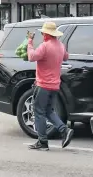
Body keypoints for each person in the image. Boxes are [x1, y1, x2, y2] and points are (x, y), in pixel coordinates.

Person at [26, 22, 74, 151]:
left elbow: (31, 57)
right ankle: (64, 130)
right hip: (55, 85)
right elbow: (66, 57)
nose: (42, 35)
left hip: (43, 85)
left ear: (46, 34)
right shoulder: (60, 46)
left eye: (43, 33)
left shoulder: (45, 46)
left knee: (39, 112)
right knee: (49, 111)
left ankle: (42, 142)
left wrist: (29, 43)